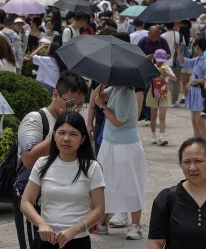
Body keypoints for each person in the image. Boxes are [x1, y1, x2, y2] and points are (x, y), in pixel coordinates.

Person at [12, 71, 90, 249]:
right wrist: (60, 131)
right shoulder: (35, 119)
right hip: (33, 200)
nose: (75, 109)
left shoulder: (76, 122)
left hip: (61, 202)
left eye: (80, 105)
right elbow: (28, 159)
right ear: (55, 94)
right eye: (70, 103)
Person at [19, 112, 106, 249]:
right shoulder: (42, 164)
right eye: (61, 133)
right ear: (54, 135)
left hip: (78, 241)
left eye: (73, 134)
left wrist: (75, 230)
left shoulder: (92, 167)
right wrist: (41, 223)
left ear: (82, 139)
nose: (66, 138)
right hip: (46, 240)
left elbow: (99, 209)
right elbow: (25, 202)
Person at [90, 82, 147, 241]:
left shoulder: (126, 93)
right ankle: (102, 222)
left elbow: (118, 121)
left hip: (125, 146)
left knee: (130, 184)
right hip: (110, 143)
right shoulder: (116, 88)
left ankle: (135, 226)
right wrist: (101, 85)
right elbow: (98, 97)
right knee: (106, 183)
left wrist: (103, 107)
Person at [146, 49, 175, 146]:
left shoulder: (166, 67)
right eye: (158, 59)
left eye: (162, 60)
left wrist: (167, 74)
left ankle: (162, 136)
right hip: (153, 92)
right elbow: (146, 79)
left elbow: (174, 78)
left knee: (162, 116)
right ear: (155, 59)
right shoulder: (151, 67)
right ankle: (153, 135)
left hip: (164, 93)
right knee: (153, 116)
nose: (160, 61)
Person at [184, 38, 206, 139]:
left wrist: (193, 81)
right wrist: (177, 50)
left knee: (200, 122)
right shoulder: (197, 59)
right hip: (194, 92)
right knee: (194, 122)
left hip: (201, 92)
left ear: (197, 46)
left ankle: (203, 144)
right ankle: (197, 142)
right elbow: (184, 62)